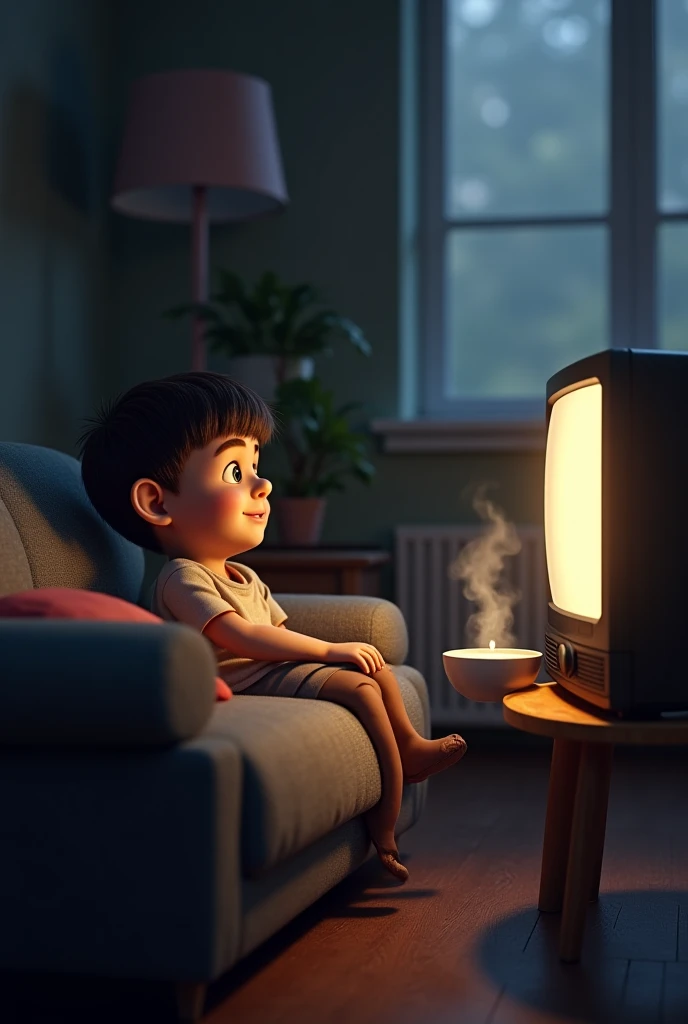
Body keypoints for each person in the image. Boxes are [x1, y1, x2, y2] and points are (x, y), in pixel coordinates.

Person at [78, 371, 467, 882]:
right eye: (235, 471)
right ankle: (387, 827)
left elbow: (276, 629)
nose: (262, 484)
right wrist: (329, 651)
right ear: (157, 502)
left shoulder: (243, 575)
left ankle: (409, 753)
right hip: (244, 680)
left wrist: (322, 651)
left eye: (256, 465)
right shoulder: (180, 577)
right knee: (364, 688)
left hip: (266, 672)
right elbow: (240, 636)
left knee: (377, 676)